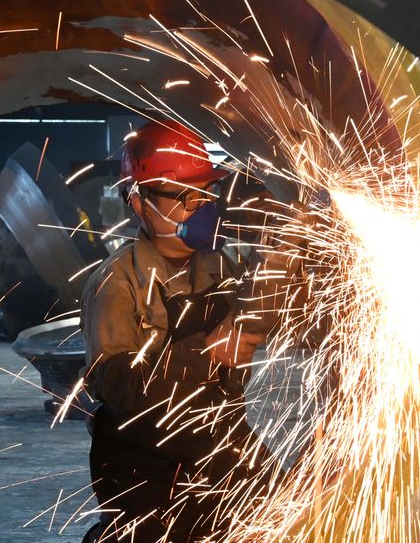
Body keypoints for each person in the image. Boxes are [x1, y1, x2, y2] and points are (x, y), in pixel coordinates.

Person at [80, 119, 266, 542]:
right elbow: (118, 383)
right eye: (184, 197)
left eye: (206, 194)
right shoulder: (117, 280)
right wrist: (206, 351)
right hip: (140, 452)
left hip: (218, 433)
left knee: (275, 507)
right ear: (141, 202)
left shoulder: (221, 267)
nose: (201, 208)